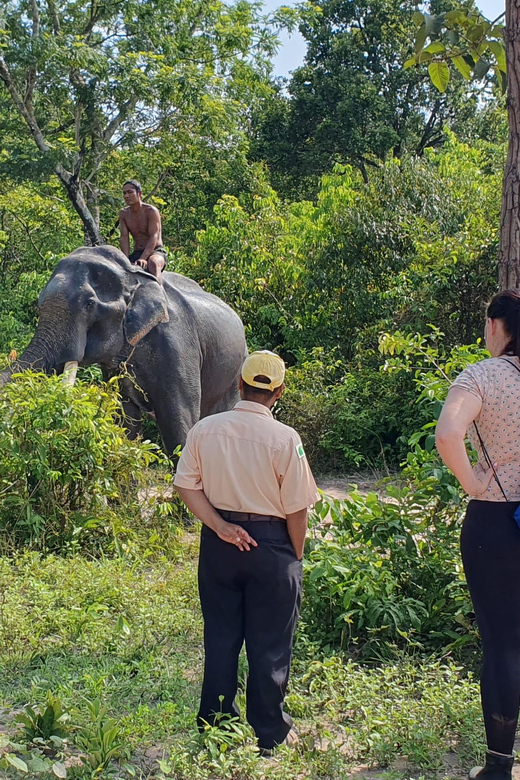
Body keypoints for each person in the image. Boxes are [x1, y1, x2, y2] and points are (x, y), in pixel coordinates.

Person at [173, 350, 318, 755]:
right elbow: (297, 509)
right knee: (270, 641)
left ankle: (217, 726)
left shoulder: (205, 429)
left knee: (220, 636)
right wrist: (295, 556)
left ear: (240, 384)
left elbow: (186, 484)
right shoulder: (286, 438)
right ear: (280, 392)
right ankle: (269, 731)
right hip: (272, 546)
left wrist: (220, 526)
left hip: (220, 546)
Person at [436, 289, 520, 780]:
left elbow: (449, 434)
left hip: (495, 520)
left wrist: (472, 483)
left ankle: (498, 765)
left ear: (495, 326)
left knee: (504, 642)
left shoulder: (481, 376)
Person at [119, 179, 167, 283]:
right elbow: (124, 237)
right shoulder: (124, 214)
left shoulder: (151, 211)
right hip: (136, 252)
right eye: (124, 193)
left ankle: (159, 294)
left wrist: (144, 258)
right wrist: (125, 260)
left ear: (139, 193)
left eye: (130, 192)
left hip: (156, 251)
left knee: (153, 263)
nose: (126, 196)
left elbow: (154, 236)